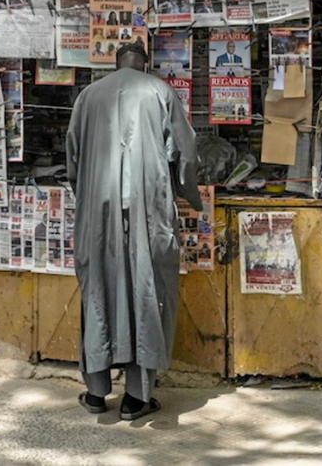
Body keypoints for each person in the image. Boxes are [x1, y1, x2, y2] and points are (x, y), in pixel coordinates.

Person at [66, 40, 200, 421]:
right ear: (145, 64)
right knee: (146, 292)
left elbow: (73, 157)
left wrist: (89, 193)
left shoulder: (88, 96)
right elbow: (185, 152)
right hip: (146, 209)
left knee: (98, 292)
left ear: (115, 63)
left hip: (98, 210)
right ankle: (136, 399)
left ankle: (95, 393)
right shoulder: (161, 91)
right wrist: (189, 192)